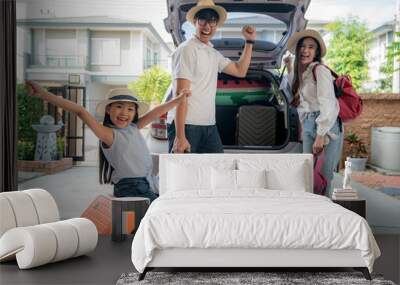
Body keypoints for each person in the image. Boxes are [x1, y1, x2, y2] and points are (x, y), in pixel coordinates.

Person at [26, 81, 190, 202]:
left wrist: (179, 99)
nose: (124, 112)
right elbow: (80, 111)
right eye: (119, 106)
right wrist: (44, 94)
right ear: (108, 109)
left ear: (134, 114)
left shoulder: (132, 128)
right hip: (131, 186)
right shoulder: (109, 134)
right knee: (158, 215)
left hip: (146, 182)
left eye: (130, 109)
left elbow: (156, 112)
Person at [167, 0, 257, 153]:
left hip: (209, 126)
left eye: (212, 21)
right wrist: (180, 136)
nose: (207, 26)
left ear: (216, 25)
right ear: (195, 22)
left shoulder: (212, 53)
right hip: (187, 126)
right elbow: (180, 94)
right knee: (186, 176)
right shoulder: (188, 49)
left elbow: (240, 70)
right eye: (203, 20)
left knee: (218, 172)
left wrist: (249, 41)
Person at [284, 29, 344, 197]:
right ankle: (311, 209)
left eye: (311, 47)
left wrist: (320, 134)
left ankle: (324, 214)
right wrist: (289, 67)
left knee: (323, 176)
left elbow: (329, 104)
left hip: (326, 125)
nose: (305, 50)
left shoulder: (320, 71)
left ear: (316, 52)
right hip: (311, 123)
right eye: (302, 47)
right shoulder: (303, 73)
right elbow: (297, 91)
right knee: (308, 173)